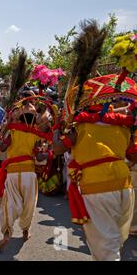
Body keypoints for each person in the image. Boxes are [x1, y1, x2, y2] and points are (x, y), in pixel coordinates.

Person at [54, 99, 136, 261]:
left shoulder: (79, 128)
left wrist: (57, 128)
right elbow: (134, 157)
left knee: (106, 246)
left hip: (97, 186)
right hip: (124, 185)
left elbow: (57, 149)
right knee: (113, 239)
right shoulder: (123, 127)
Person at [0, 99, 49, 251]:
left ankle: (6, 233)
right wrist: (50, 153)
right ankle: (25, 231)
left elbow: (3, 148)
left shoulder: (13, 132)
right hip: (29, 174)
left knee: (10, 203)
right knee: (29, 203)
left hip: (12, 173)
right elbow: (39, 157)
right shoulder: (35, 136)